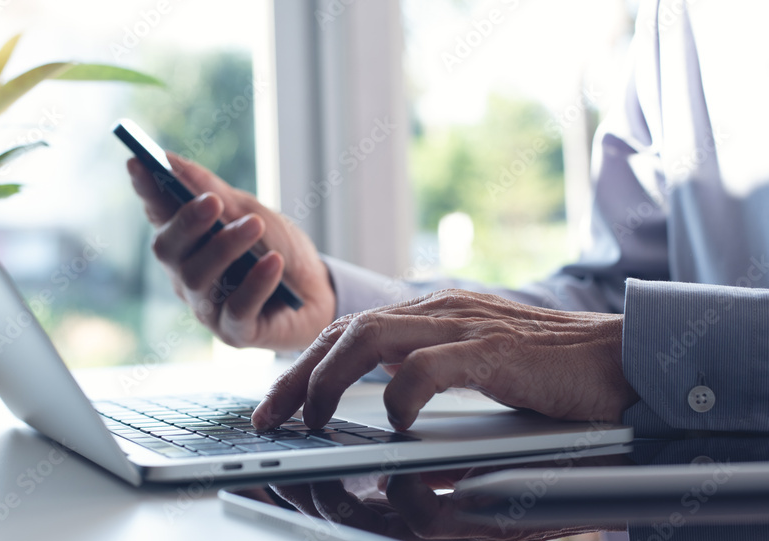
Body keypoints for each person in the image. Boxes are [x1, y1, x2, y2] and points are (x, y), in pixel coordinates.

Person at [127, 0, 769, 439]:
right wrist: (338, 308)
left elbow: (628, 341)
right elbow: (613, 304)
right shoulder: (681, 18)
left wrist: (647, 356)